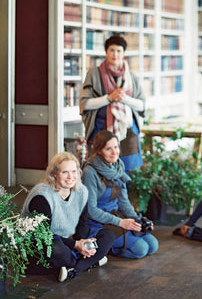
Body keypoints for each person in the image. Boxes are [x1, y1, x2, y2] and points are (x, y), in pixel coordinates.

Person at [23, 152, 115, 282]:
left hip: (68, 241)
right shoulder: (42, 196)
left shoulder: (81, 191)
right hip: (40, 244)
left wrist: (83, 243)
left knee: (108, 235)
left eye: (74, 171)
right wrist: (76, 245)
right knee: (57, 248)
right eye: (64, 172)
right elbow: (44, 236)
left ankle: (73, 269)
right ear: (54, 173)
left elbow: (82, 223)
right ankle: (89, 262)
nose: (70, 177)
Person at [82, 130, 159, 259]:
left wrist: (137, 220)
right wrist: (120, 222)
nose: (114, 152)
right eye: (108, 149)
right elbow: (91, 210)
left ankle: (112, 244)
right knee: (141, 249)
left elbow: (123, 202)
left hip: (117, 218)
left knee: (153, 245)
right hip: (98, 224)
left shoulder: (118, 167)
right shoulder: (90, 172)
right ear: (99, 150)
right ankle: (105, 249)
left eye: (116, 147)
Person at [79, 34, 145, 173]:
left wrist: (124, 99)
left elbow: (142, 105)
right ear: (106, 52)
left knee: (125, 172)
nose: (115, 54)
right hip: (101, 129)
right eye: (112, 50)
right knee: (99, 169)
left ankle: (122, 195)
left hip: (127, 130)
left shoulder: (132, 77)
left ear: (124, 53)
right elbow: (85, 104)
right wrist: (109, 98)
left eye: (119, 51)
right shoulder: (94, 73)